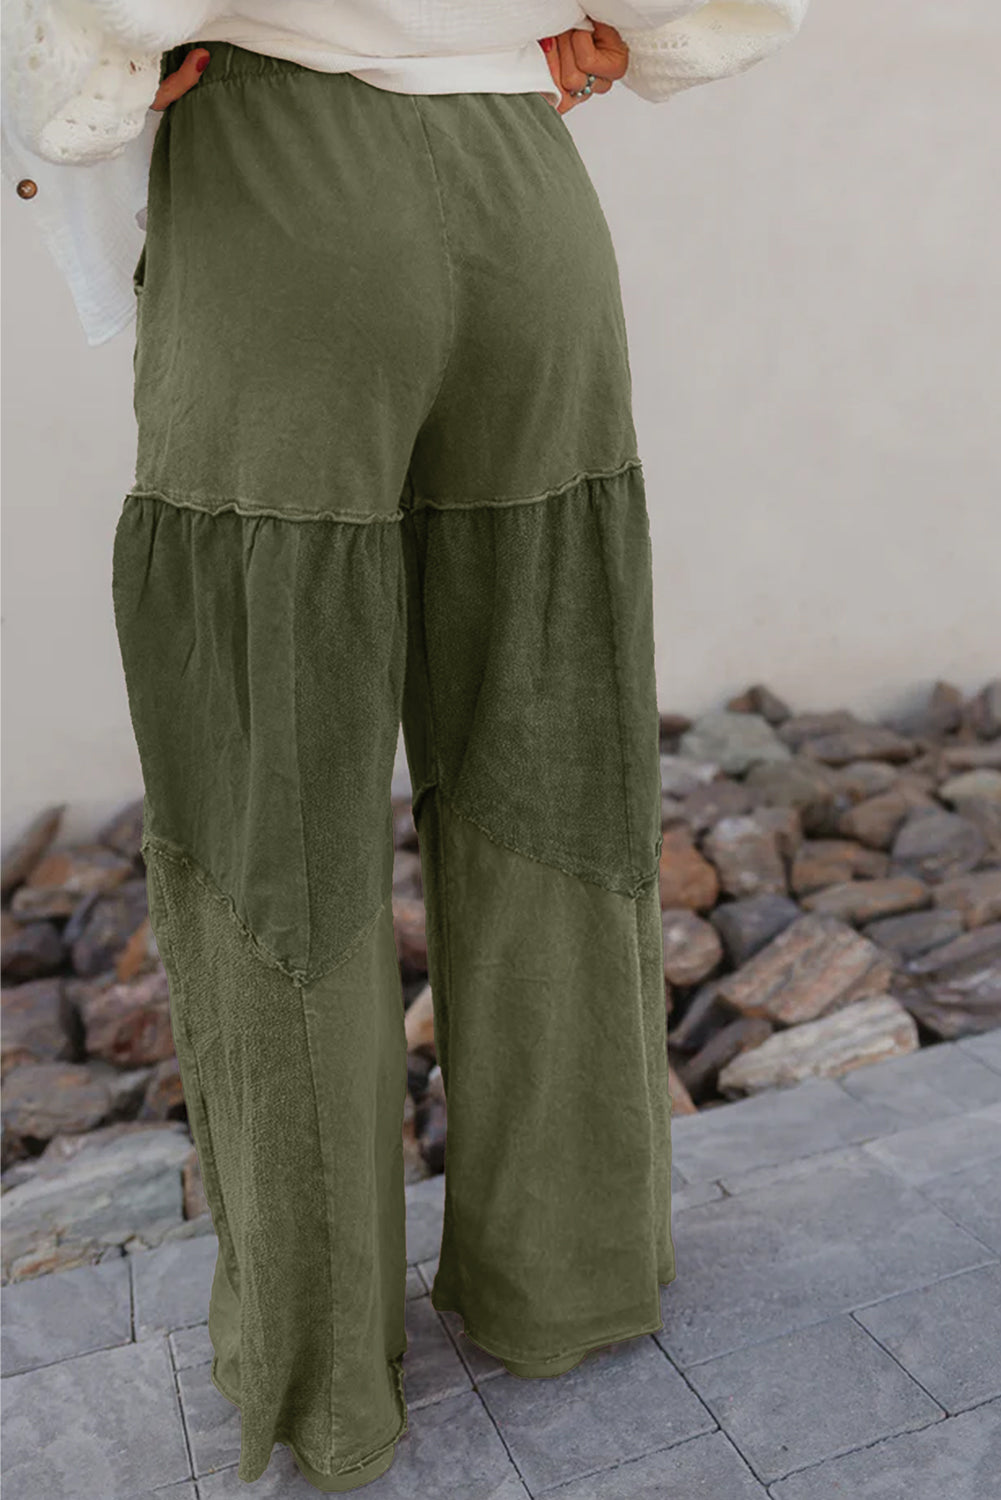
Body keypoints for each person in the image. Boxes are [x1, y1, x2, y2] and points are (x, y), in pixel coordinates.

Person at [2, 4, 809, 1491]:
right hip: (524, 199)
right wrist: (605, 39)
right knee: (552, 768)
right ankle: (567, 1272)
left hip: (280, 190)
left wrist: (95, 79)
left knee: (277, 817)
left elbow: (91, 32)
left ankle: (321, 1360)